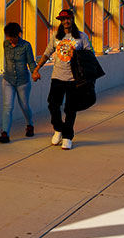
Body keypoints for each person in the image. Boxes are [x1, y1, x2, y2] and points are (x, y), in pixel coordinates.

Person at [33, 9, 93, 150]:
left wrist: (77, 53)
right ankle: (58, 129)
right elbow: (47, 53)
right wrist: (37, 69)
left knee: (70, 109)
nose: (66, 21)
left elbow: (89, 55)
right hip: (57, 77)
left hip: (74, 79)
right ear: (60, 21)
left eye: (68, 18)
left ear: (72, 19)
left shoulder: (81, 37)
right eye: (63, 19)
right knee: (52, 105)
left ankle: (67, 136)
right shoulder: (56, 36)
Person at [0, 22, 37, 143]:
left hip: (22, 81)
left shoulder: (26, 45)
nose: (10, 40)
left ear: (18, 35)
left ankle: (30, 125)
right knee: (7, 107)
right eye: (8, 37)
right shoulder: (6, 44)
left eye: (12, 37)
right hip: (8, 80)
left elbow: (30, 61)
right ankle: (5, 133)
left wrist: (34, 72)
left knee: (24, 105)